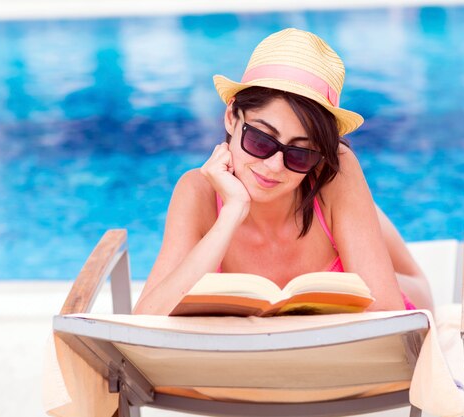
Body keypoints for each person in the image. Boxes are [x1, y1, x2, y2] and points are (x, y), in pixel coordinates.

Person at [133, 28, 433, 315]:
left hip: (406, 293)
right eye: (260, 140)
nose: (274, 166)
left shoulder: (333, 169)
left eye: (300, 153)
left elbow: (390, 313)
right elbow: (146, 318)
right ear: (230, 117)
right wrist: (232, 213)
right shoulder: (197, 191)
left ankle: (357, 215)